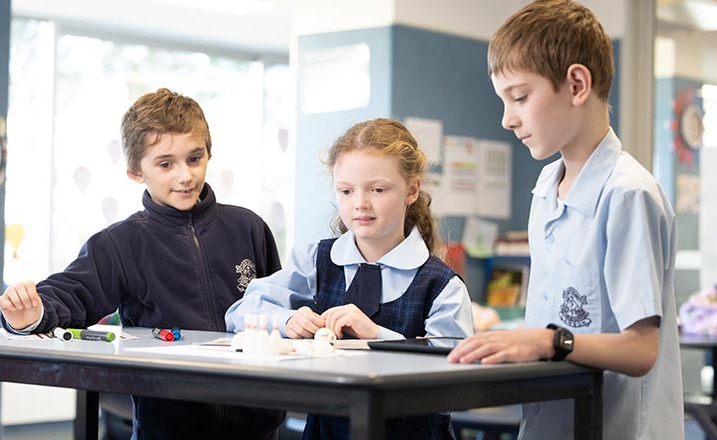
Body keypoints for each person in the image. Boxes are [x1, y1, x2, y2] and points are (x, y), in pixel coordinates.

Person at [447, 1, 684, 439]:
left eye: (519, 97)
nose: (507, 118)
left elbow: (640, 349)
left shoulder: (628, 193)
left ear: (577, 84)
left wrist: (545, 341)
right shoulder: (546, 187)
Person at [0, 88, 285, 439]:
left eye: (194, 159)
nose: (185, 176)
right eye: (165, 164)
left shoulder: (249, 228)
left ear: (209, 153)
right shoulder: (120, 243)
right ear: (136, 171)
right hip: (167, 430)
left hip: (257, 430)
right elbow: (71, 294)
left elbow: (280, 308)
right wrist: (31, 315)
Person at [226, 118, 474, 439]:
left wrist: (378, 337)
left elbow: (457, 378)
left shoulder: (442, 285)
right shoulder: (314, 261)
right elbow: (239, 314)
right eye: (346, 190)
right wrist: (286, 321)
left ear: (412, 190)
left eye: (378, 189)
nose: (360, 203)